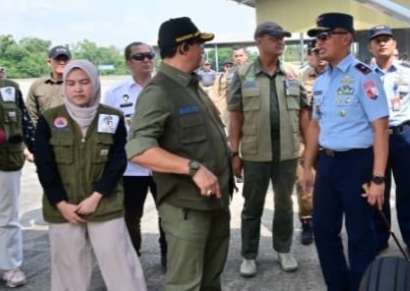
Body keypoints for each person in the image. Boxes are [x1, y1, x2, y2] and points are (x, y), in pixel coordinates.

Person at [126, 17, 233, 291]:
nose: (203, 50)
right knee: (185, 284)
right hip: (187, 209)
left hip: (214, 202)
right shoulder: (160, 91)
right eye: (199, 44)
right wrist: (193, 167)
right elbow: (137, 148)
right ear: (184, 47)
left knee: (210, 280)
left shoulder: (191, 85)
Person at [33, 59, 146, 291]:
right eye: (71, 83)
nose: (78, 88)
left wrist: (96, 196)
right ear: (64, 86)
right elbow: (44, 165)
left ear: (94, 83)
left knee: (120, 265)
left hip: (105, 203)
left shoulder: (112, 117)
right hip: (63, 207)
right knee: (68, 268)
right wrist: (61, 203)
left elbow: (117, 161)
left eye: (84, 82)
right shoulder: (50, 119)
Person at [302, 12, 389, 291]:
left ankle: (360, 286)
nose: (319, 43)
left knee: (360, 234)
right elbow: (315, 126)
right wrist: (307, 167)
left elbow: (380, 130)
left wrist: (378, 179)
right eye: (317, 37)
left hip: (357, 165)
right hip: (327, 166)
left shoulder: (365, 77)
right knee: (324, 230)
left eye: (325, 36)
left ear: (346, 38)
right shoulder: (321, 80)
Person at [228, 21, 310, 277]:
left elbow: (304, 114)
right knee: (252, 206)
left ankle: (283, 249)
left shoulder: (293, 73)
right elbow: (235, 116)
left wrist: (308, 150)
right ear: (258, 41)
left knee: (284, 204)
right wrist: (234, 153)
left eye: (282, 37)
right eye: (274, 37)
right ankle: (249, 255)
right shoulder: (243, 74)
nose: (280, 41)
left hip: (287, 152)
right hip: (255, 153)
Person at [103, 41, 165, 264]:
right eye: (139, 57)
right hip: (131, 168)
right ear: (128, 62)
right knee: (130, 217)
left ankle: (168, 256)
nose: (146, 60)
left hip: (162, 165)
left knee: (167, 215)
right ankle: (132, 259)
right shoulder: (115, 94)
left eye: (149, 55)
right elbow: (107, 132)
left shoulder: (165, 88)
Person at [367, 25, 410, 262]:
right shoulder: (365, 74)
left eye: (386, 40)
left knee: (408, 192)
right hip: (374, 139)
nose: (382, 43)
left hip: (404, 136)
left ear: (395, 45)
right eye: (377, 40)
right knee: (378, 190)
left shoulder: (409, 72)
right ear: (370, 46)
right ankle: (380, 238)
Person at [0, 41, 34, 289]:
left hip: (7, 160)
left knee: (8, 217)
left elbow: (26, 122)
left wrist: (36, 150)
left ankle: (10, 266)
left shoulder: (10, 87)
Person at [295, 42, 325, 246]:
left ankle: (328, 222)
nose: (319, 55)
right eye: (314, 52)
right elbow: (298, 111)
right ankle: (307, 222)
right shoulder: (298, 79)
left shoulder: (340, 76)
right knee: (305, 184)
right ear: (309, 56)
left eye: (320, 50)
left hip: (332, 139)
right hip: (305, 138)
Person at [26, 45, 71, 124]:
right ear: (49, 62)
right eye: (58, 59)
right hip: (44, 132)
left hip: (70, 133)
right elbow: (31, 115)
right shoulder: (37, 85)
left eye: (65, 59)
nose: (62, 62)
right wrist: (38, 133)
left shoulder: (76, 85)